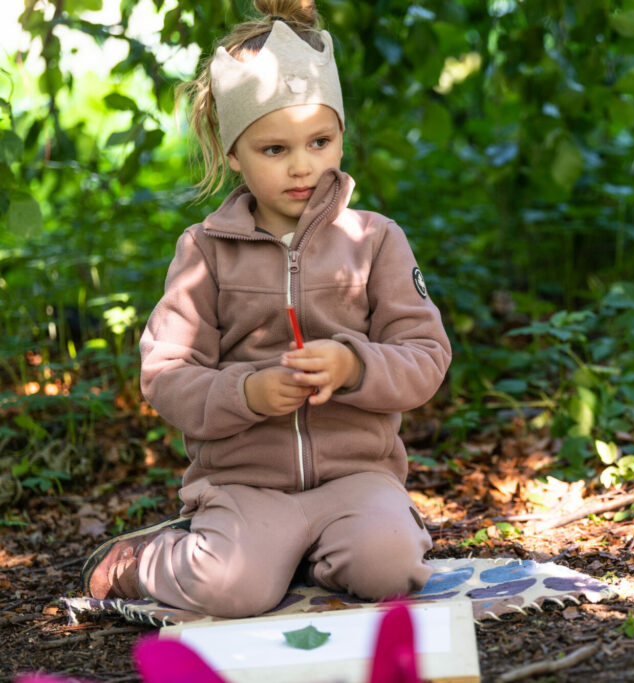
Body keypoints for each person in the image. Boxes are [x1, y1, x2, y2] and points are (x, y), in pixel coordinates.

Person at [79, 0, 451, 618]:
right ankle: (146, 560)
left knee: (388, 568)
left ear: (340, 136)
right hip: (244, 484)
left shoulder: (376, 239)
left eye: (320, 141)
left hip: (356, 480)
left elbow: (426, 355)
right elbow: (166, 373)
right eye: (274, 149)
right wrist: (246, 393)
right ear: (233, 154)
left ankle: (321, 547)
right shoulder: (205, 251)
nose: (303, 165)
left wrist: (354, 367)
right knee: (235, 590)